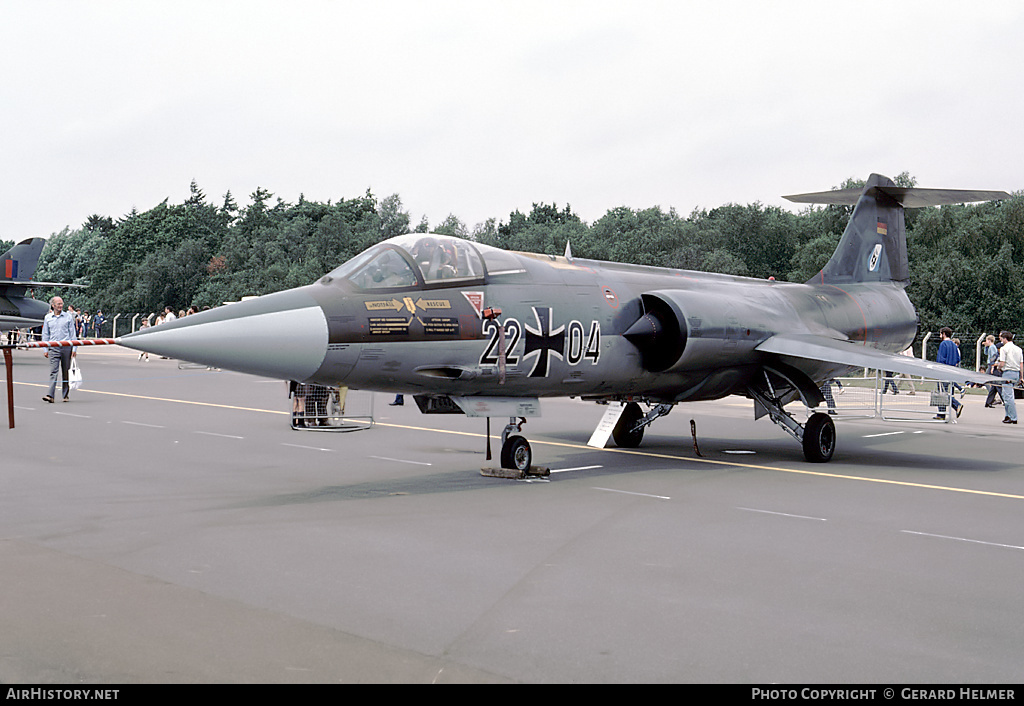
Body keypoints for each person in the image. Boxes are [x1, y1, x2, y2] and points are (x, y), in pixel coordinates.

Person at [41, 296, 77, 403]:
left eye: (61, 304)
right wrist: (45, 349)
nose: (60, 306)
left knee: (65, 371)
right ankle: (50, 395)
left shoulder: (68, 317)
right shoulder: (48, 318)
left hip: (66, 347)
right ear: (53, 305)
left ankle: (65, 394)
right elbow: (45, 334)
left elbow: (72, 333)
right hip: (53, 347)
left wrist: (74, 348)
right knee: (53, 371)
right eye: (58, 304)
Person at [935, 327, 962, 420]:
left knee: (942, 392)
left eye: (940, 333)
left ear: (944, 334)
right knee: (944, 391)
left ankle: (955, 405)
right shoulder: (954, 345)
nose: (939, 335)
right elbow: (958, 359)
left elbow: (941, 359)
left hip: (943, 371)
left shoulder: (943, 344)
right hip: (951, 370)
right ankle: (941, 413)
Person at [995, 331, 1022, 425]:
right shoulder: (1018, 349)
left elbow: (1002, 362)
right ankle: (1007, 415)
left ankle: (1013, 417)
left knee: (1008, 396)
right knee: (1007, 394)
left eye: (1002, 338)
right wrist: (1022, 376)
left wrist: (998, 367)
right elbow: (1021, 364)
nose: (1001, 340)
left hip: (1007, 373)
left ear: (1005, 339)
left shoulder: (1004, 349)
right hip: (1016, 373)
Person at [983, 334, 1003, 408]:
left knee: (987, 381)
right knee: (993, 384)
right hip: (990, 365)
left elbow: (993, 357)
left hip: (991, 365)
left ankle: (996, 399)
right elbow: (986, 353)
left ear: (989, 340)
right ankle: (990, 401)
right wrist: (985, 346)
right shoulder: (990, 347)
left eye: (986, 340)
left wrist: (992, 366)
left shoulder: (992, 347)